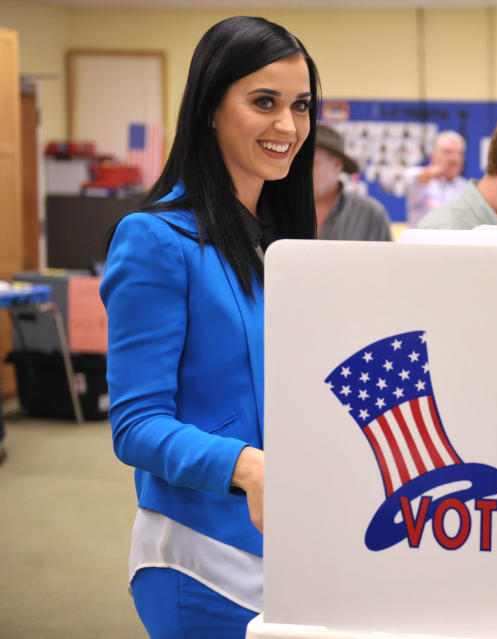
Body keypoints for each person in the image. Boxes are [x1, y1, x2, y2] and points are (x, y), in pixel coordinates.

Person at [99, 16, 319, 637]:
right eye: (264, 103)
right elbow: (136, 427)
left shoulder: (280, 240)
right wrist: (248, 466)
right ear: (209, 111)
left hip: (289, 542)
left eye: (300, 106)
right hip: (202, 558)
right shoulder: (154, 239)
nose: (288, 126)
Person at [313, 123, 391, 241]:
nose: (300, 170)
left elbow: (387, 259)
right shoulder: (279, 211)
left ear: (337, 166)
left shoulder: (371, 215)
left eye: (311, 163)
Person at [404, 130, 467, 227]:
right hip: (421, 240)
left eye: (459, 153)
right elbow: (405, 178)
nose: (454, 159)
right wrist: (428, 173)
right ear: (432, 157)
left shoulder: (465, 187)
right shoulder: (420, 179)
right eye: (448, 152)